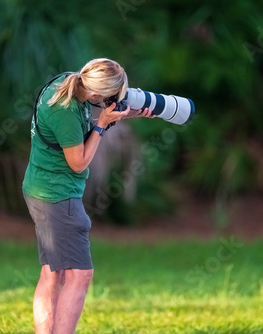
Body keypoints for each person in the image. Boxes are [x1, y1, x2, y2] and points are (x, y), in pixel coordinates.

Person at [22, 58, 154, 334]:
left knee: (52, 273)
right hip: (56, 196)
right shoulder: (64, 110)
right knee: (80, 274)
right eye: (112, 96)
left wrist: (131, 112)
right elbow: (79, 162)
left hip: (41, 189)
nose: (114, 99)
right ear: (96, 94)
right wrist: (101, 126)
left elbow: (79, 124)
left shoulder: (72, 82)